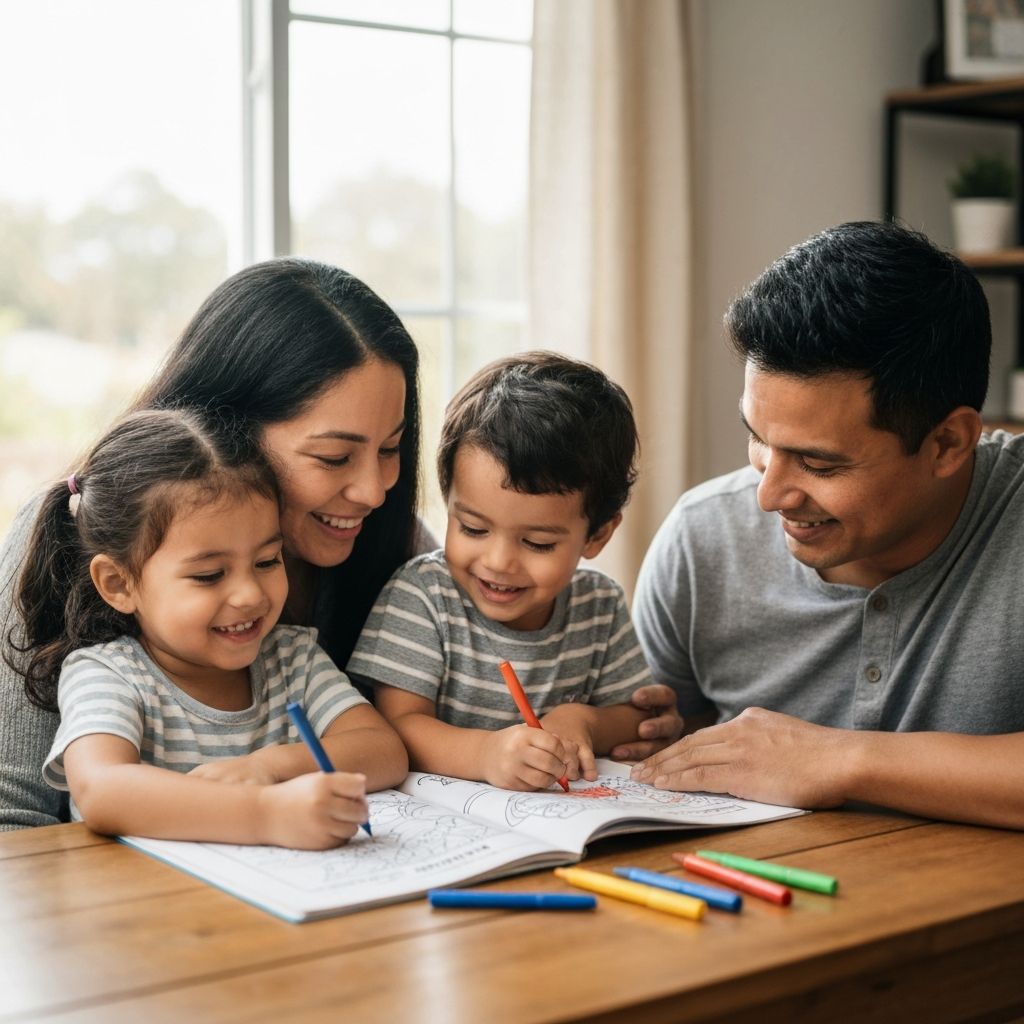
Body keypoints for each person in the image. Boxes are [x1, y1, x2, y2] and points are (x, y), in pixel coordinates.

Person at [0, 258, 681, 829]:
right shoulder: (69, 536)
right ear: (224, 436)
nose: (374, 491)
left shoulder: (386, 555)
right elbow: (19, 815)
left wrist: (600, 724)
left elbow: (401, 737)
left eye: (391, 450)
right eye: (333, 457)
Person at [629, 220, 1024, 830]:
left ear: (948, 442)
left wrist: (841, 759)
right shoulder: (701, 543)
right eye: (757, 440)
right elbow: (642, 753)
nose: (768, 495)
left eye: (818, 462)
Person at [20, 408, 407, 847]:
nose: (249, 595)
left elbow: (384, 750)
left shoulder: (291, 658)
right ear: (119, 583)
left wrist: (271, 767)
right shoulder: (109, 674)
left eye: (266, 562)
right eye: (209, 575)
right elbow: (101, 790)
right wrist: (266, 814)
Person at [348, 352, 655, 790]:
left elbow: (636, 714)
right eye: (473, 527)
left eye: (537, 543)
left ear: (598, 535)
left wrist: (581, 720)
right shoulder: (422, 597)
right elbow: (398, 725)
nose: (498, 562)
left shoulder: (598, 606)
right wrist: (487, 755)